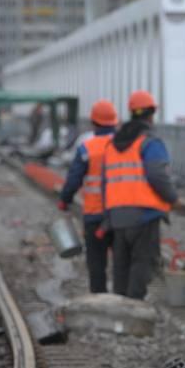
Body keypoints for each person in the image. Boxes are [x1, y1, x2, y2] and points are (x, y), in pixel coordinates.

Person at [101, 90, 178, 300]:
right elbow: (157, 174)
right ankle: (133, 307)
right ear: (152, 114)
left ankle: (119, 305)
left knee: (121, 264)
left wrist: (108, 215)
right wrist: (172, 197)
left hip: (117, 215)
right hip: (144, 214)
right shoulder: (150, 142)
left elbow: (105, 181)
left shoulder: (113, 143)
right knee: (142, 262)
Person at [57, 99, 119, 293]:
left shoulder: (87, 148)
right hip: (120, 215)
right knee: (121, 263)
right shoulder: (124, 146)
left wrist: (64, 200)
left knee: (97, 264)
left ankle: (99, 299)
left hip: (94, 215)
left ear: (94, 122)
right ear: (115, 122)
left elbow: (74, 179)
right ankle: (122, 300)